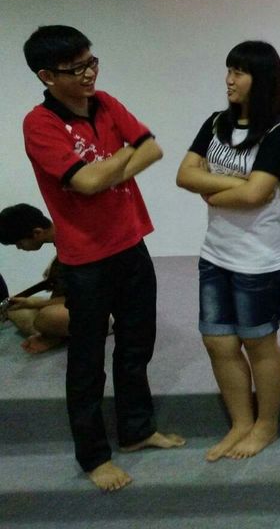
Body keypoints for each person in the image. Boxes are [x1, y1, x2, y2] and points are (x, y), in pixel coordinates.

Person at [21, 25, 184, 491]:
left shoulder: (106, 102)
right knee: (87, 360)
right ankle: (94, 457)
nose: (90, 74)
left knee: (136, 345)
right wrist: (124, 158)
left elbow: (153, 149)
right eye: (76, 68)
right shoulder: (40, 124)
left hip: (131, 242)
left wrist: (107, 168)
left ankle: (136, 430)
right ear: (47, 76)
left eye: (91, 62)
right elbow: (86, 182)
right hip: (85, 258)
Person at [175, 40, 280, 462]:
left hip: (262, 257)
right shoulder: (215, 123)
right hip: (217, 252)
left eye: (239, 72)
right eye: (228, 70)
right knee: (218, 342)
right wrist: (239, 185)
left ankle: (266, 424)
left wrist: (215, 189)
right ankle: (241, 422)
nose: (229, 79)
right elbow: (184, 175)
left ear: (261, 79)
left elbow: (257, 195)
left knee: (258, 342)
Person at [0, 203, 70, 354]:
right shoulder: (60, 245)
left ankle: (54, 335)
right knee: (14, 310)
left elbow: (83, 297)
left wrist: (37, 303)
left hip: (106, 306)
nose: (19, 248)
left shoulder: (74, 245)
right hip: (76, 301)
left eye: (19, 243)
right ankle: (54, 334)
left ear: (37, 232)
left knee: (48, 317)